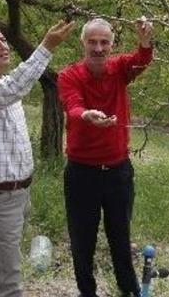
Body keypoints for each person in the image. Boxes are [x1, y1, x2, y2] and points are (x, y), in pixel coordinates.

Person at [0, 20, 75, 297]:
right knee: (8, 284)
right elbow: (13, 89)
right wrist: (46, 47)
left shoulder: (1, 85)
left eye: (3, 40)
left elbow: (12, 89)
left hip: (15, 197)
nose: (3, 46)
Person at [58, 17, 154, 297]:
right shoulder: (69, 75)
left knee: (120, 240)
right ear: (83, 43)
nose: (98, 48)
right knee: (82, 241)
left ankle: (130, 291)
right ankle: (87, 292)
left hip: (117, 172)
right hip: (81, 173)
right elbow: (72, 105)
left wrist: (146, 41)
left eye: (104, 42)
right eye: (92, 42)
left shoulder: (120, 69)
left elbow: (141, 59)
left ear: (112, 45)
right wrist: (85, 115)